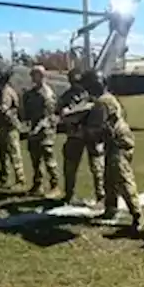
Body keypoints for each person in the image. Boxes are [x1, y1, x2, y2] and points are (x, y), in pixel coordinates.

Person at [82, 70, 143, 232]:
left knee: (123, 178)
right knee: (109, 179)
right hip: (115, 142)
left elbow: (96, 128)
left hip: (118, 143)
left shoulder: (102, 102)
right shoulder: (106, 98)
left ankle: (137, 215)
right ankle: (110, 210)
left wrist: (81, 129)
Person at [57, 68, 106, 206]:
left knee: (97, 167)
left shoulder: (91, 94)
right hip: (75, 136)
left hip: (92, 135)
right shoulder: (66, 96)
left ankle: (101, 195)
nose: (76, 84)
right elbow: (63, 115)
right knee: (70, 167)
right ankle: (69, 195)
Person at [21, 65, 61, 196]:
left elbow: (49, 116)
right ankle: (37, 185)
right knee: (35, 159)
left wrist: (38, 128)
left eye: (35, 74)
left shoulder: (47, 94)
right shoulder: (31, 93)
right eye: (32, 74)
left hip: (45, 131)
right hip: (34, 130)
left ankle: (55, 185)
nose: (32, 77)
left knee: (49, 159)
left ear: (42, 76)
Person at [0, 65, 25, 188]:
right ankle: (3, 178)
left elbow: (4, 107)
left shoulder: (6, 92)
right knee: (3, 155)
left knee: (14, 154)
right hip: (4, 126)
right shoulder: (2, 90)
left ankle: (20, 180)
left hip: (10, 127)